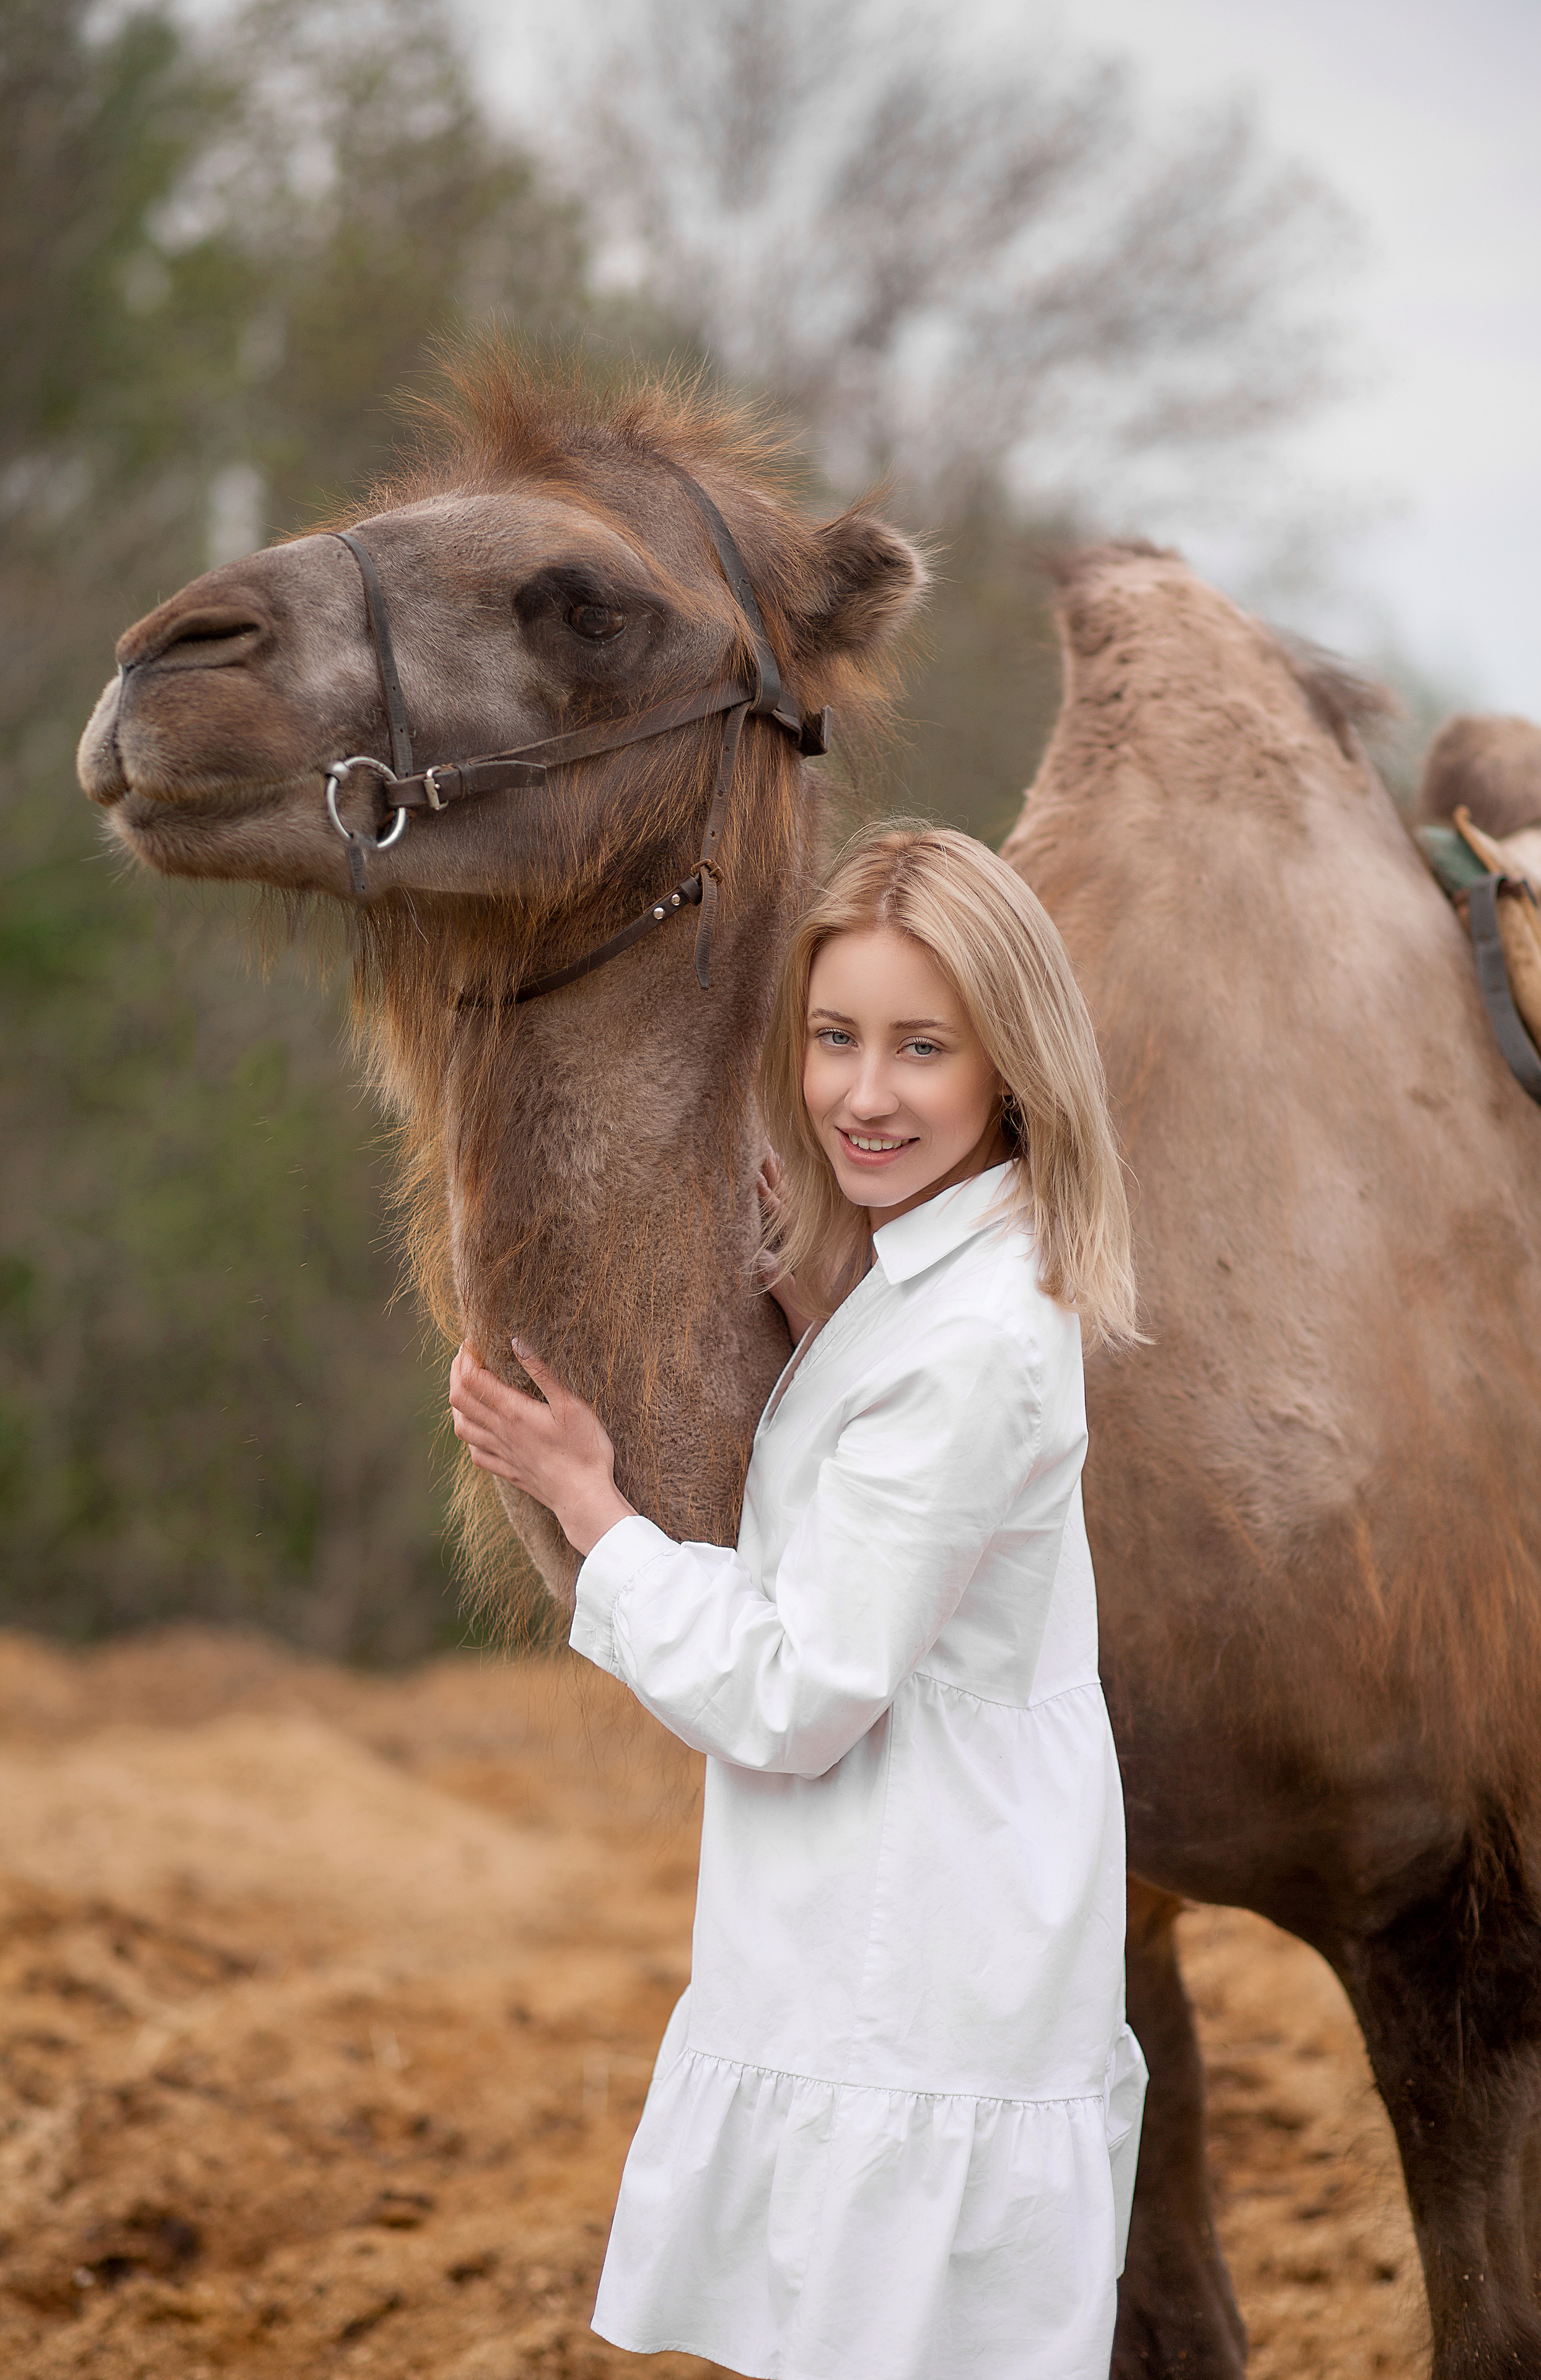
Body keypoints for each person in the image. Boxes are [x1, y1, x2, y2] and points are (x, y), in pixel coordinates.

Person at [448, 821, 1146, 2380]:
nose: (862, 1093)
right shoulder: (937, 1288)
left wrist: (593, 1510)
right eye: (832, 1038)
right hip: (895, 1939)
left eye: (920, 1048)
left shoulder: (968, 1341)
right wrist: (828, 1312)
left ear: (1010, 1067)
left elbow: (799, 1694)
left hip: (916, 1969)